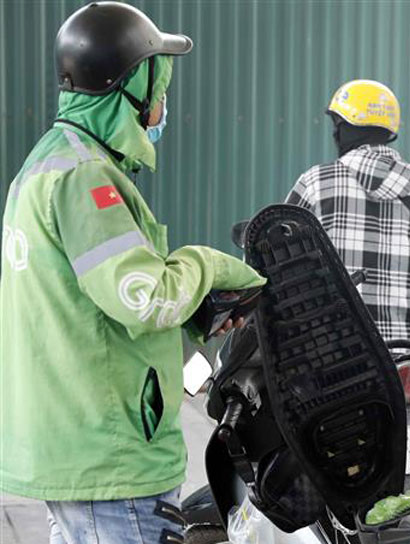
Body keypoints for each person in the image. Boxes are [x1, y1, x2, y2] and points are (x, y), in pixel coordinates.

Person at [0, 3, 265, 543]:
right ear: (130, 88)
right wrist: (208, 265)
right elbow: (146, 298)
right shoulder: (85, 177)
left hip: (77, 446)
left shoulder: (50, 162)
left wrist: (196, 314)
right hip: (110, 458)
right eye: (158, 88)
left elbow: (86, 301)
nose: (163, 105)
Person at [286, 79, 410, 342]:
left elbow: (281, 251)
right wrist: (404, 263)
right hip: (403, 350)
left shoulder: (316, 183)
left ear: (343, 129)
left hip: (329, 347)